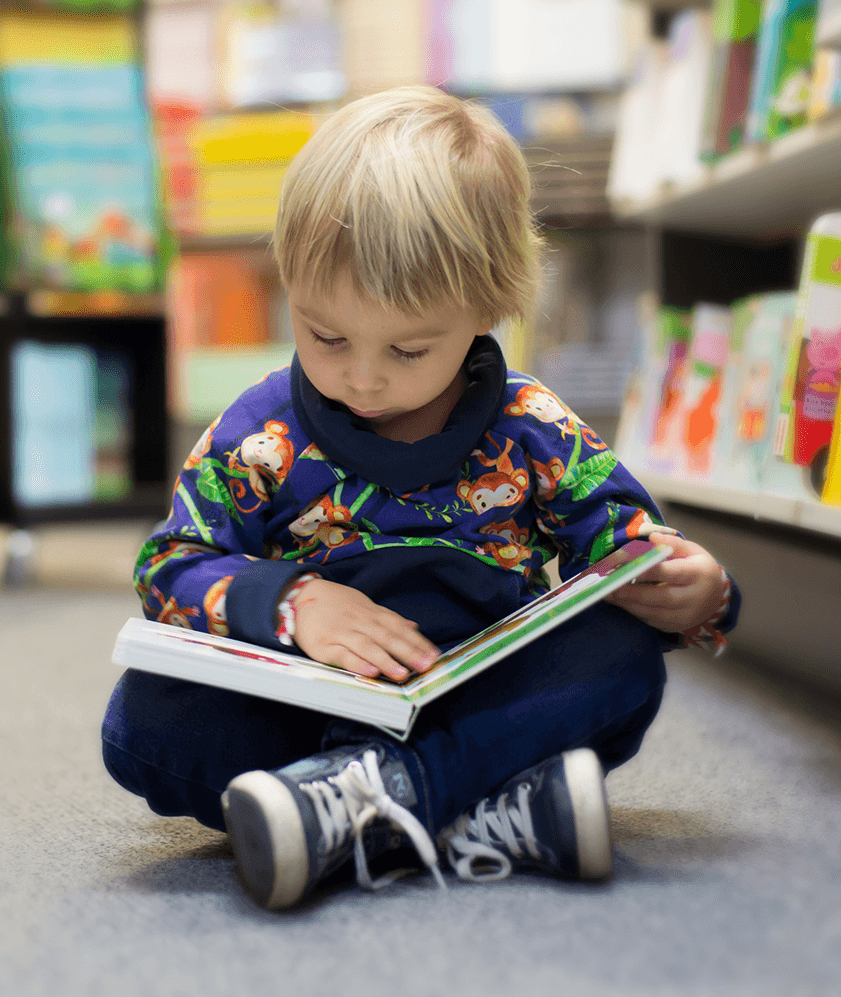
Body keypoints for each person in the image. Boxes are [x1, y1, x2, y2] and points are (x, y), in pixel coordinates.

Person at [101, 85, 739, 910]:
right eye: (325, 335)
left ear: (487, 308)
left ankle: (354, 807)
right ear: (287, 281)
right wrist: (293, 603)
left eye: (408, 348)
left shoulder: (531, 423)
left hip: (480, 703)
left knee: (616, 660)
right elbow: (168, 567)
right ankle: (479, 811)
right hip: (304, 702)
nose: (362, 376)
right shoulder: (256, 431)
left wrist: (693, 590)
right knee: (143, 720)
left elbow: (625, 556)